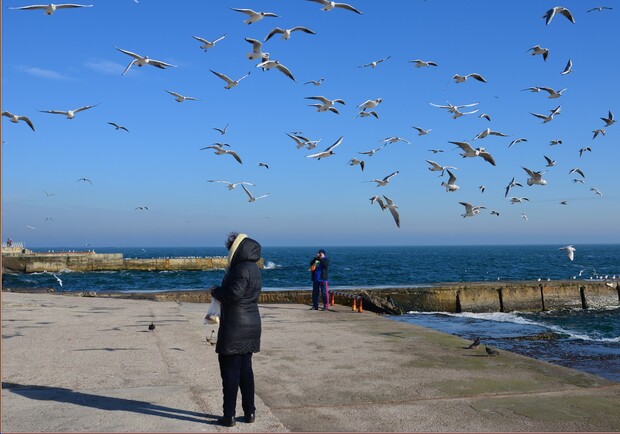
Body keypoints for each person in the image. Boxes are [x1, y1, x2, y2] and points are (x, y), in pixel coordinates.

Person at [208, 232, 262, 427]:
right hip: (251, 324)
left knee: (230, 373)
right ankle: (250, 413)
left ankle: (229, 416)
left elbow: (234, 294)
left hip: (234, 328)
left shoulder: (239, 269)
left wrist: (215, 291)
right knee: (246, 371)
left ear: (236, 249)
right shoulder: (254, 268)